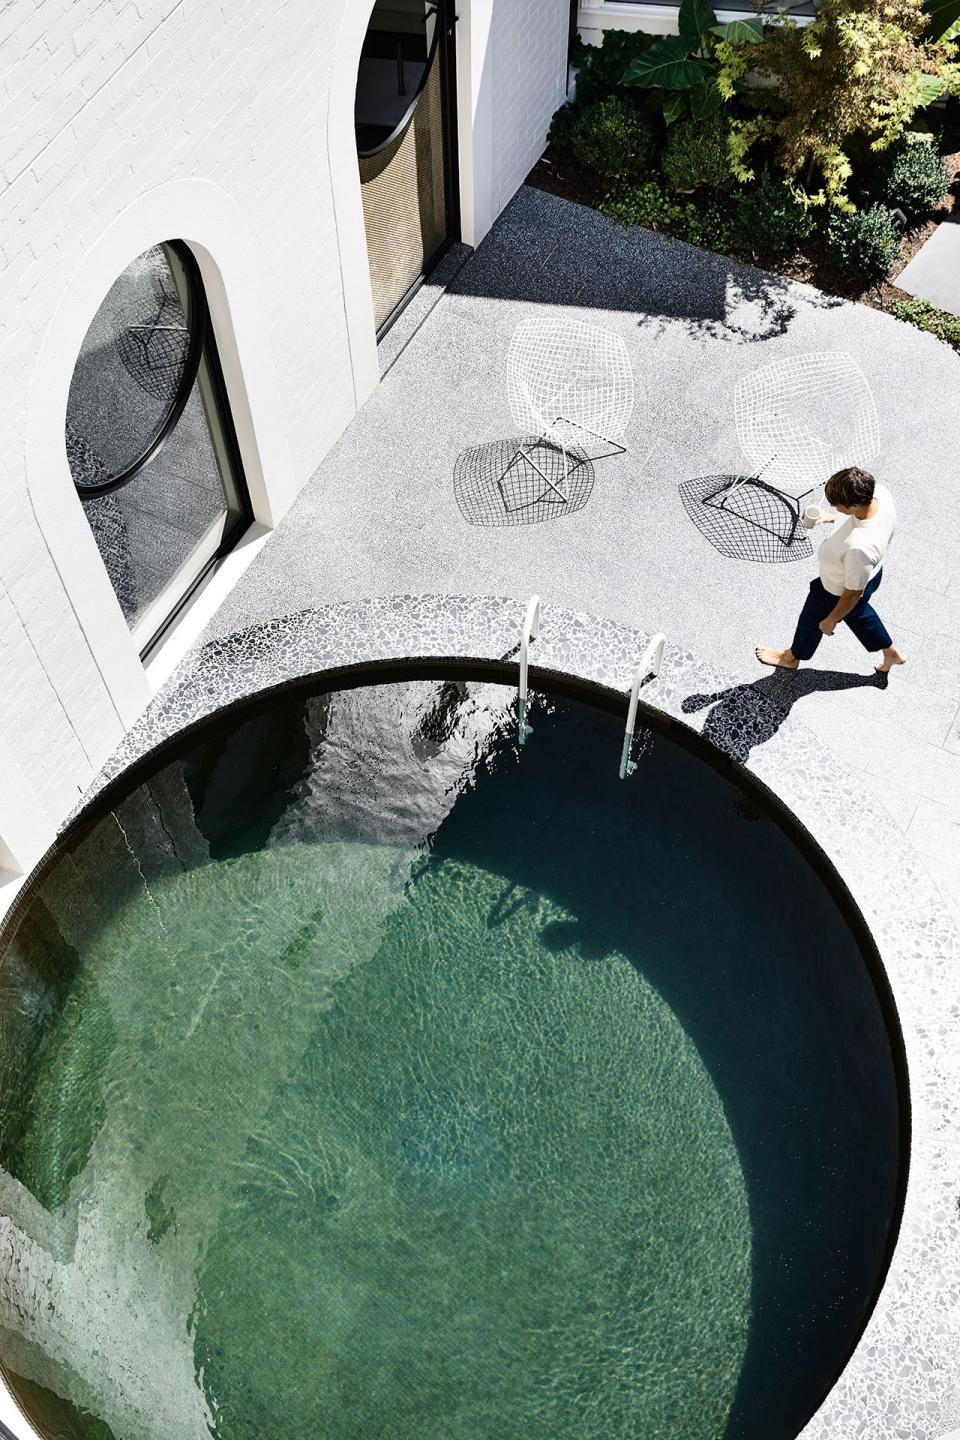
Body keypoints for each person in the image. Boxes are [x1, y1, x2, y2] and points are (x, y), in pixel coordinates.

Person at [756, 466, 906, 674]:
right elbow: (854, 519)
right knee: (858, 614)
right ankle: (891, 653)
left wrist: (831, 620)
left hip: (835, 590)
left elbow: (852, 593)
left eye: (836, 505)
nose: (833, 506)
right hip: (872, 573)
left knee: (812, 619)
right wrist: (829, 517)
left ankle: (791, 657)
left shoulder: (859, 548)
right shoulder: (879, 493)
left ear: (853, 506)